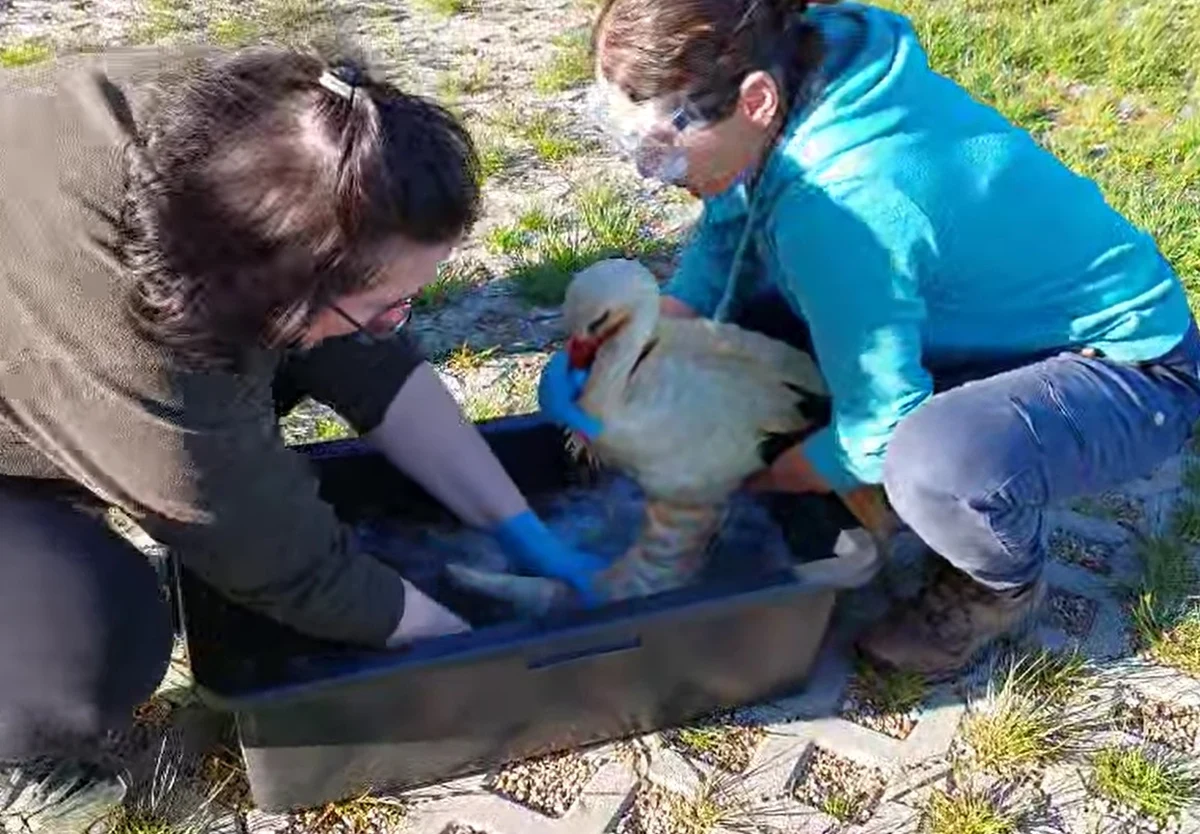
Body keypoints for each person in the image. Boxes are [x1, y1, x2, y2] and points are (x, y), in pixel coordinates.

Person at [0, 45, 602, 832]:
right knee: (89, 641)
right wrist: (467, 647)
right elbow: (281, 564)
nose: (400, 324)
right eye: (388, 306)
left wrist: (526, 537)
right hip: (49, 340)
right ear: (282, 279)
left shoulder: (282, 135)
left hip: (68, 348)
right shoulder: (129, 334)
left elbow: (372, 358)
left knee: (323, 341)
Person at [538, 0, 1200, 679]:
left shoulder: (842, 205)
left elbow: (881, 420)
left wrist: (773, 475)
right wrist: (656, 331)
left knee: (932, 461)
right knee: (729, 345)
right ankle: (882, 473)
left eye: (660, 149)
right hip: (976, 326)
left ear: (756, 99)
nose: (653, 171)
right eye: (629, 142)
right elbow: (728, 229)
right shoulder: (797, 70)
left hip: (1131, 369)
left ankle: (995, 587)